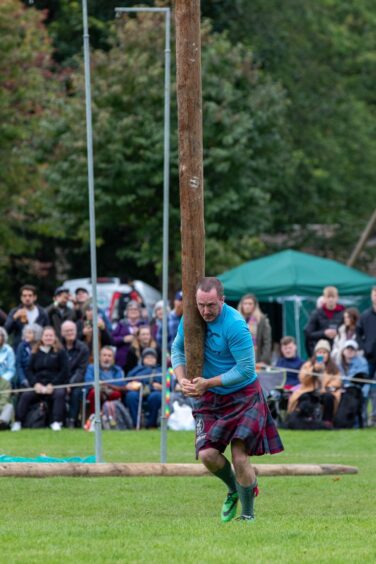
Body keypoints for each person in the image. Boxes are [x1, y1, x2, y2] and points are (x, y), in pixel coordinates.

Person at [171, 277, 283, 523]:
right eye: (201, 304)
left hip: (243, 395)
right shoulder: (190, 318)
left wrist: (208, 382)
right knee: (207, 456)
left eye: (211, 305)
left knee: (240, 456)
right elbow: (177, 349)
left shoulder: (235, 325)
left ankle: (247, 515)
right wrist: (181, 378)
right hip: (211, 398)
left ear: (222, 299)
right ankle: (235, 489)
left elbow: (246, 369)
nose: (205, 311)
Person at [12, 326, 70, 431]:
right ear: (42, 337)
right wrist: (35, 384)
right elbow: (29, 370)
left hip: (54, 386)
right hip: (38, 385)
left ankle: (56, 422)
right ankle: (18, 422)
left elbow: (64, 371)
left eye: (51, 336)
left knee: (60, 394)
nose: (48, 338)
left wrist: (52, 385)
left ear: (55, 337)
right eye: (46, 335)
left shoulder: (60, 352)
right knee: (25, 395)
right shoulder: (35, 352)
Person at [287, 339, 342, 426]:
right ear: (315, 354)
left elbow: (337, 381)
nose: (322, 355)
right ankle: (306, 419)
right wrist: (313, 370)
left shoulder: (333, 367)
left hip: (325, 391)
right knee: (304, 397)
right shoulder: (308, 364)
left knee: (329, 398)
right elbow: (302, 378)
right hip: (309, 390)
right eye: (319, 352)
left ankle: (327, 421)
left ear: (328, 354)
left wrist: (327, 388)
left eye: (324, 353)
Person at [61, 320, 90, 428]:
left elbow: (81, 370)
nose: (70, 333)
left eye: (72, 330)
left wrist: (70, 384)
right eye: (67, 331)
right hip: (61, 380)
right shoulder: (58, 347)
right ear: (62, 333)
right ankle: (58, 420)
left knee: (76, 392)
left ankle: (72, 420)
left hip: (77, 381)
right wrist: (64, 383)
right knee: (58, 392)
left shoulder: (83, 348)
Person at [125, 347, 162, 428]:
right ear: (143, 359)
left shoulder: (161, 370)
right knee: (131, 396)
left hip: (154, 390)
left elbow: (169, 385)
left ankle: (151, 424)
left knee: (156, 397)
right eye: (147, 357)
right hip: (138, 390)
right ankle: (136, 424)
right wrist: (129, 385)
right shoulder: (136, 370)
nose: (150, 359)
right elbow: (126, 381)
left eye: (152, 357)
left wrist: (162, 387)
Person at [304, 286, 345, 356]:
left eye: (333, 297)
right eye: (328, 297)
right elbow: (308, 333)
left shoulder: (343, 313)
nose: (331, 299)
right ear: (324, 298)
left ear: (337, 298)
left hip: (338, 353)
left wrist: (338, 333)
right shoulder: (316, 313)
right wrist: (324, 333)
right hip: (320, 352)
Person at [84, 346, 125, 415]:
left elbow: (119, 384)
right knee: (95, 393)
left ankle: (111, 418)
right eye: (104, 355)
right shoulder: (91, 367)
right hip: (96, 390)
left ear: (113, 359)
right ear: (99, 357)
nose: (107, 358)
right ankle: (95, 417)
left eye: (109, 356)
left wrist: (104, 384)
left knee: (116, 394)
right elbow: (88, 381)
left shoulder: (118, 370)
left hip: (111, 392)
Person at [5, 285, 48, 350]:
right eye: (24, 296)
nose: (27, 298)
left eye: (30, 295)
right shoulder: (15, 311)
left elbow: (47, 330)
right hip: (19, 349)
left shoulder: (42, 312)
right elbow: (6, 331)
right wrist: (14, 317)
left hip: (38, 349)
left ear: (35, 297)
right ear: (21, 298)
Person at [356, 287, 376, 426]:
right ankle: (362, 418)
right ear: (371, 297)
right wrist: (364, 348)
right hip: (369, 358)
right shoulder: (365, 315)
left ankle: (374, 417)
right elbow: (358, 334)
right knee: (364, 389)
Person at [237, 294, 272, 365]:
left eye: (250, 304)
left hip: (257, 358)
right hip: (239, 358)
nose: (247, 306)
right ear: (241, 305)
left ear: (255, 306)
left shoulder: (262, 320)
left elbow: (267, 342)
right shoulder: (236, 320)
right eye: (245, 303)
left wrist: (264, 360)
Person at [112, 300, 146, 370]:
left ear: (140, 312)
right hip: (122, 360)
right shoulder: (121, 324)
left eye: (136, 309)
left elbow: (150, 339)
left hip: (139, 359)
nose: (133, 311)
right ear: (126, 312)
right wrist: (123, 339)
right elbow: (112, 339)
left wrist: (139, 337)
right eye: (130, 309)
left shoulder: (144, 324)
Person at [15, 323, 43, 389]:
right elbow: (18, 365)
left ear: (36, 334)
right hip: (24, 378)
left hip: (38, 379)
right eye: (26, 333)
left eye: (30, 333)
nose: (26, 335)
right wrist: (23, 379)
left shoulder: (41, 346)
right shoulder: (21, 346)